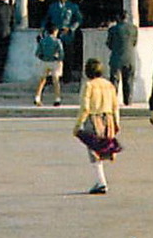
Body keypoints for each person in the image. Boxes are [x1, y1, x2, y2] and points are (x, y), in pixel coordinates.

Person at [74, 58, 122, 195]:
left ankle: (101, 182)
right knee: (103, 148)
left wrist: (78, 125)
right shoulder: (109, 85)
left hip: (94, 119)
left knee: (93, 151)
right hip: (108, 118)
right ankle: (101, 180)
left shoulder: (89, 85)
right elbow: (115, 106)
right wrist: (117, 123)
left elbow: (85, 108)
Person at [44, 0, 84, 99]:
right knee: (53, 57)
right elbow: (47, 18)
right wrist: (44, 29)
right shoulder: (52, 7)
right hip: (55, 34)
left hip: (67, 35)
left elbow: (79, 19)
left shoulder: (73, 7)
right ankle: (53, 78)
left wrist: (71, 28)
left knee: (68, 55)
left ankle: (67, 77)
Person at [106, 12, 139, 107]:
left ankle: (113, 101)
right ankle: (127, 101)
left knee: (114, 81)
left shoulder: (113, 29)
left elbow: (109, 43)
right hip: (130, 57)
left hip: (116, 57)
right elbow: (134, 42)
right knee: (128, 81)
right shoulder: (134, 28)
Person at [33, 27, 65, 108]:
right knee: (56, 81)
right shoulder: (57, 41)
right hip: (54, 62)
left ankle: (37, 97)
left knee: (42, 80)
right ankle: (57, 99)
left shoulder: (42, 41)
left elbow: (37, 53)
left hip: (44, 62)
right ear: (55, 31)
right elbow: (61, 53)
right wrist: (59, 59)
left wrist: (43, 58)